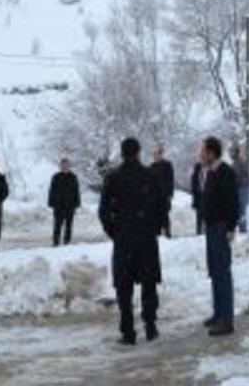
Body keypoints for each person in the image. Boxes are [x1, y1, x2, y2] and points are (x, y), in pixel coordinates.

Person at [99, 138, 166, 346]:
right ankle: (151, 327)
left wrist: (114, 233)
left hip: (124, 239)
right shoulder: (150, 176)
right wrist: (154, 228)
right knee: (148, 284)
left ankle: (128, 331)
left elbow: (103, 211)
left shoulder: (113, 178)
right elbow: (162, 206)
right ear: (138, 152)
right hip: (146, 238)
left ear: (122, 153)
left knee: (124, 286)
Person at [199, 136, 239, 336]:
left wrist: (231, 227)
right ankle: (218, 313)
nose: (200, 154)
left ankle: (226, 320)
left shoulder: (225, 172)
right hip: (211, 227)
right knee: (215, 271)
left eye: (202, 151)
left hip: (221, 227)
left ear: (211, 153)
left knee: (222, 272)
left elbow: (232, 202)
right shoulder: (209, 172)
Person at [48, 157, 81, 246]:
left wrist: (77, 203)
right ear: (60, 166)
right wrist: (51, 203)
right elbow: (51, 191)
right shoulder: (56, 177)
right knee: (57, 225)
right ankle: (56, 242)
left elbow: (76, 191)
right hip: (58, 205)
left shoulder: (73, 177)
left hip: (70, 205)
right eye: (63, 165)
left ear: (69, 166)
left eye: (66, 165)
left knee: (69, 225)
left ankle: (67, 242)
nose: (65, 167)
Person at [150, 143, 175, 238]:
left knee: (165, 216)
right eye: (153, 154)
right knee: (155, 217)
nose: (154, 156)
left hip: (164, 195)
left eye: (156, 154)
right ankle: (157, 234)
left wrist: (169, 195)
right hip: (154, 196)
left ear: (161, 154)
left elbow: (170, 180)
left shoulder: (167, 165)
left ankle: (168, 234)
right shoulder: (152, 166)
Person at [231, 144, 249, 234]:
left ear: (236, 152)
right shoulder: (234, 163)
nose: (231, 153)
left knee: (242, 209)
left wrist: (237, 180)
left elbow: (245, 176)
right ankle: (241, 227)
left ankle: (243, 229)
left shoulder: (240, 162)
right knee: (239, 209)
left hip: (243, 189)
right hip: (238, 188)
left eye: (232, 152)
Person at [191, 162, 205, 235]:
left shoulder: (208, 172)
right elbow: (193, 187)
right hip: (199, 196)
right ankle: (199, 229)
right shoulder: (195, 174)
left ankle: (202, 229)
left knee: (203, 214)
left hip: (204, 195)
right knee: (199, 214)